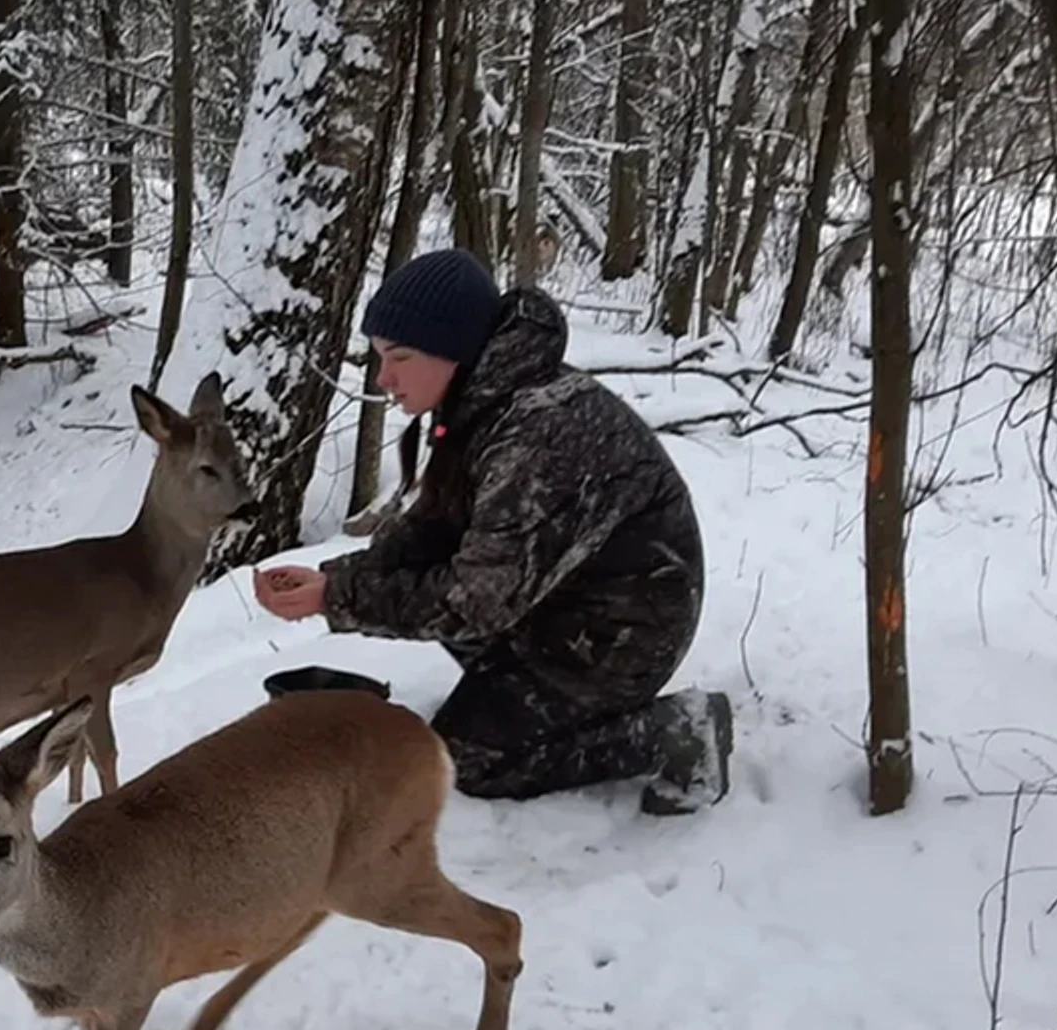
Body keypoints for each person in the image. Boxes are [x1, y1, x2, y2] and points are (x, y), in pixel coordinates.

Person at [252, 247, 732, 815]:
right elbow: (435, 527)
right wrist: (335, 579)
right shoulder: (484, 402)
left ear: (452, 350)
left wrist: (338, 598)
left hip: (628, 629)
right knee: (441, 596)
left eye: (399, 356)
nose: (384, 378)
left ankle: (678, 730)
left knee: (470, 760)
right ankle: (520, 695)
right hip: (561, 600)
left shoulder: (537, 430)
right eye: (379, 356)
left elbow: (477, 602)